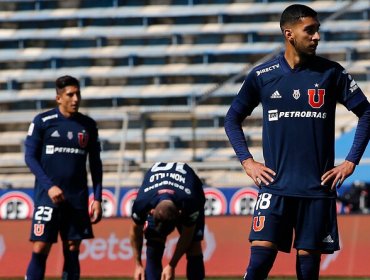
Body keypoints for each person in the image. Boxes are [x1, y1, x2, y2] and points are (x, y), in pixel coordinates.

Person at [224, 4, 370, 280]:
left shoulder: (332, 73)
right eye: (310, 30)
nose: (317, 37)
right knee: (258, 263)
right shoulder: (262, 75)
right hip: (275, 188)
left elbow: (367, 113)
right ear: (289, 34)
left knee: (308, 272)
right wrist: (247, 161)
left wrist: (351, 161)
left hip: (317, 190)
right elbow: (232, 119)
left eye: (318, 30)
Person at [24, 75, 103, 280]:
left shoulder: (88, 125)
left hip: (76, 198)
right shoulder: (43, 121)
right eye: (70, 94)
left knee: (72, 247)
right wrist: (49, 186)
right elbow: (30, 157)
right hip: (47, 197)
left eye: (78, 93)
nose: (76, 99)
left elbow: (95, 163)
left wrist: (97, 198)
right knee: (41, 246)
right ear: (59, 98)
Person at [130, 162, 206, 280]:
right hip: (158, 193)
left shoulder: (190, 202)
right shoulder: (143, 202)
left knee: (193, 245)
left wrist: (172, 265)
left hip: (192, 191)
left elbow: (187, 234)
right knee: (154, 244)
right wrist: (138, 264)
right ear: (152, 211)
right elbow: (135, 232)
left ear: (180, 215)